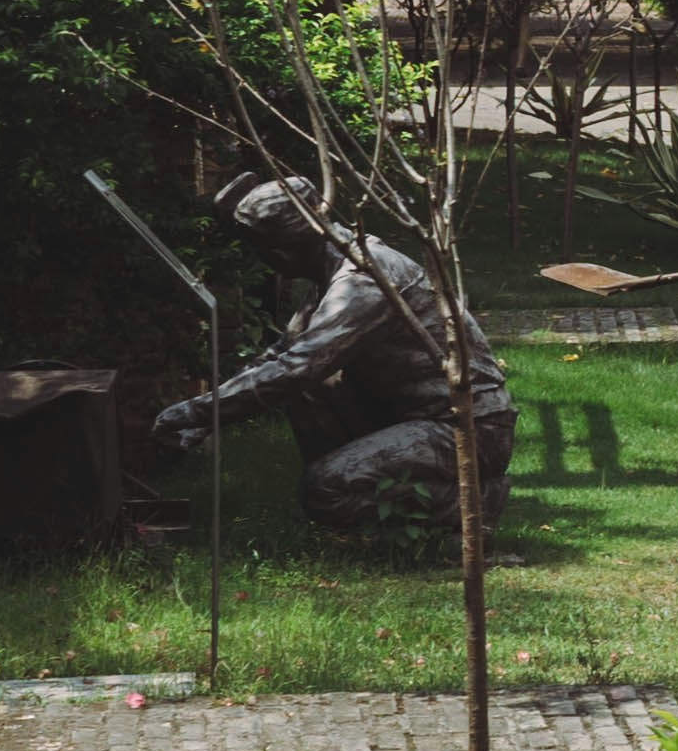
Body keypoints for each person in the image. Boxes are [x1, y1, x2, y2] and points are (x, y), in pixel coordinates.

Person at [154, 178, 511, 541]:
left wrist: (198, 411)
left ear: (283, 250)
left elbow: (297, 368)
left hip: (465, 427)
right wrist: (208, 413)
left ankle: (474, 504)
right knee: (309, 390)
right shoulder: (331, 276)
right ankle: (357, 505)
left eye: (262, 250)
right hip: (411, 414)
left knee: (325, 490)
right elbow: (280, 357)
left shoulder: (363, 282)